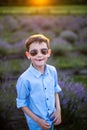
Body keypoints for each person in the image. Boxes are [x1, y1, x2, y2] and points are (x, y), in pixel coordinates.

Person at [16, 34, 62, 130]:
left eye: (43, 51)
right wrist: (38, 121)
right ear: (28, 55)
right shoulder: (24, 79)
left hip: (52, 118)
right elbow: (22, 104)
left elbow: (55, 90)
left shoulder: (52, 71)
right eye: (34, 52)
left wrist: (58, 110)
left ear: (48, 53)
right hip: (36, 125)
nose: (39, 55)